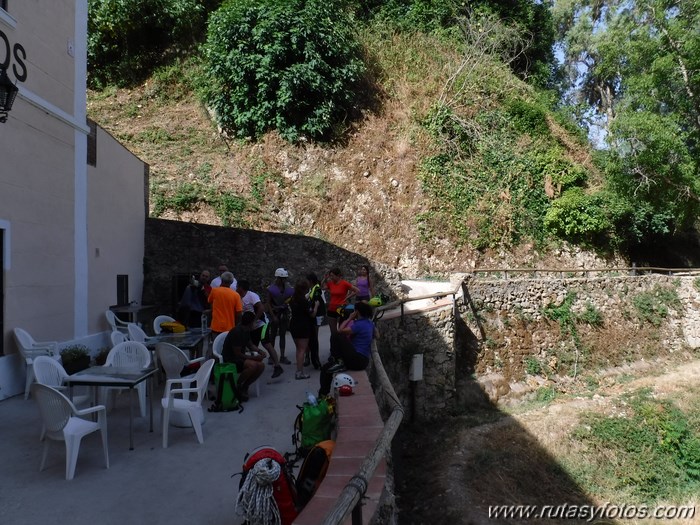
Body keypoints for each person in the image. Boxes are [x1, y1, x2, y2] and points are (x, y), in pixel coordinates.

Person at [319, 302, 377, 396]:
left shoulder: (358, 325)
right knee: (326, 368)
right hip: (362, 360)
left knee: (336, 335)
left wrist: (349, 318)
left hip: (356, 359)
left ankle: (338, 362)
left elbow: (340, 330)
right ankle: (323, 393)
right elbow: (377, 335)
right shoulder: (370, 323)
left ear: (357, 312)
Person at [237, 279, 284, 379]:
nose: (236, 288)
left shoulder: (251, 296)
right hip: (251, 327)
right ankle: (254, 366)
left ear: (241, 287)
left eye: (237, 286)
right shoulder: (238, 297)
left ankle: (277, 366)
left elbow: (261, 308)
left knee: (266, 343)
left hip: (261, 324)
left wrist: (254, 321)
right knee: (252, 346)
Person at [221, 311, 265, 401]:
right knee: (253, 365)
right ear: (250, 323)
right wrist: (254, 358)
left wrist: (260, 351)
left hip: (239, 357)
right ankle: (237, 385)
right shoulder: (237, 332)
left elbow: (250, 345)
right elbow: (237, 354)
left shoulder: (246, 330)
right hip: (231, 359)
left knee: (261, 366)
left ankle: (245, 386)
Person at [266, 268, 294, 364]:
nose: (284, 280)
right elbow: (268, 303)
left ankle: (282, 356)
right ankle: (271, 356)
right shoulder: (271, 289)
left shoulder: (287, 287)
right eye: (282, 278)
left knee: (282, 335)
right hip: (275, 313)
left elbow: (291, 298)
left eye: (285, 278)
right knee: (272, 335)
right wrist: (273, 316)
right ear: (277, 278)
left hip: (284, 313)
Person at [288, 279, 313, 380]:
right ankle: (300, 372)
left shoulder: (292, 300)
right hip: (303, 326)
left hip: (293, 324)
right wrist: (315, 306)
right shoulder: (304, 301)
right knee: (302, 350)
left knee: (298, 349)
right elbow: (311, 314)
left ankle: (299, 369)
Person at [323, 268, 359, 336]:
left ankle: (341, 345)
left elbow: (357, 290)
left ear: (338, 276)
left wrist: (347, 297)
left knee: (341, 331)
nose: (331, 277)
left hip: (341, 308)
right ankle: (334, 346)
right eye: (330, 276)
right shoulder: (330, 283)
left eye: (332, 276)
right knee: (333, 333)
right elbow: (322, 287)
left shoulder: (344, 283)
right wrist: (324, 279)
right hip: (331, 308)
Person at [208, 271, 243, 339]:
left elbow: (210, 301)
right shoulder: (236, 295)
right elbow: (239, 313)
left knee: (216, 347)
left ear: (221, 280)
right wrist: (236, 326)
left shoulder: (214, 291)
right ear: (232, 282)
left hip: (216, 326)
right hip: (230, 328)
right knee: (227, 348)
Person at [305, 272, 325, 369]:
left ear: (311, 281)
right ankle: (309, 357)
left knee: (314, 337)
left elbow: (315, 301)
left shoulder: (316, 289)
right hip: (313, 314)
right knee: (311, 337)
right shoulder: (312, 288)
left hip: (316, 315)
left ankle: (314, 359)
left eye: (307, 281)